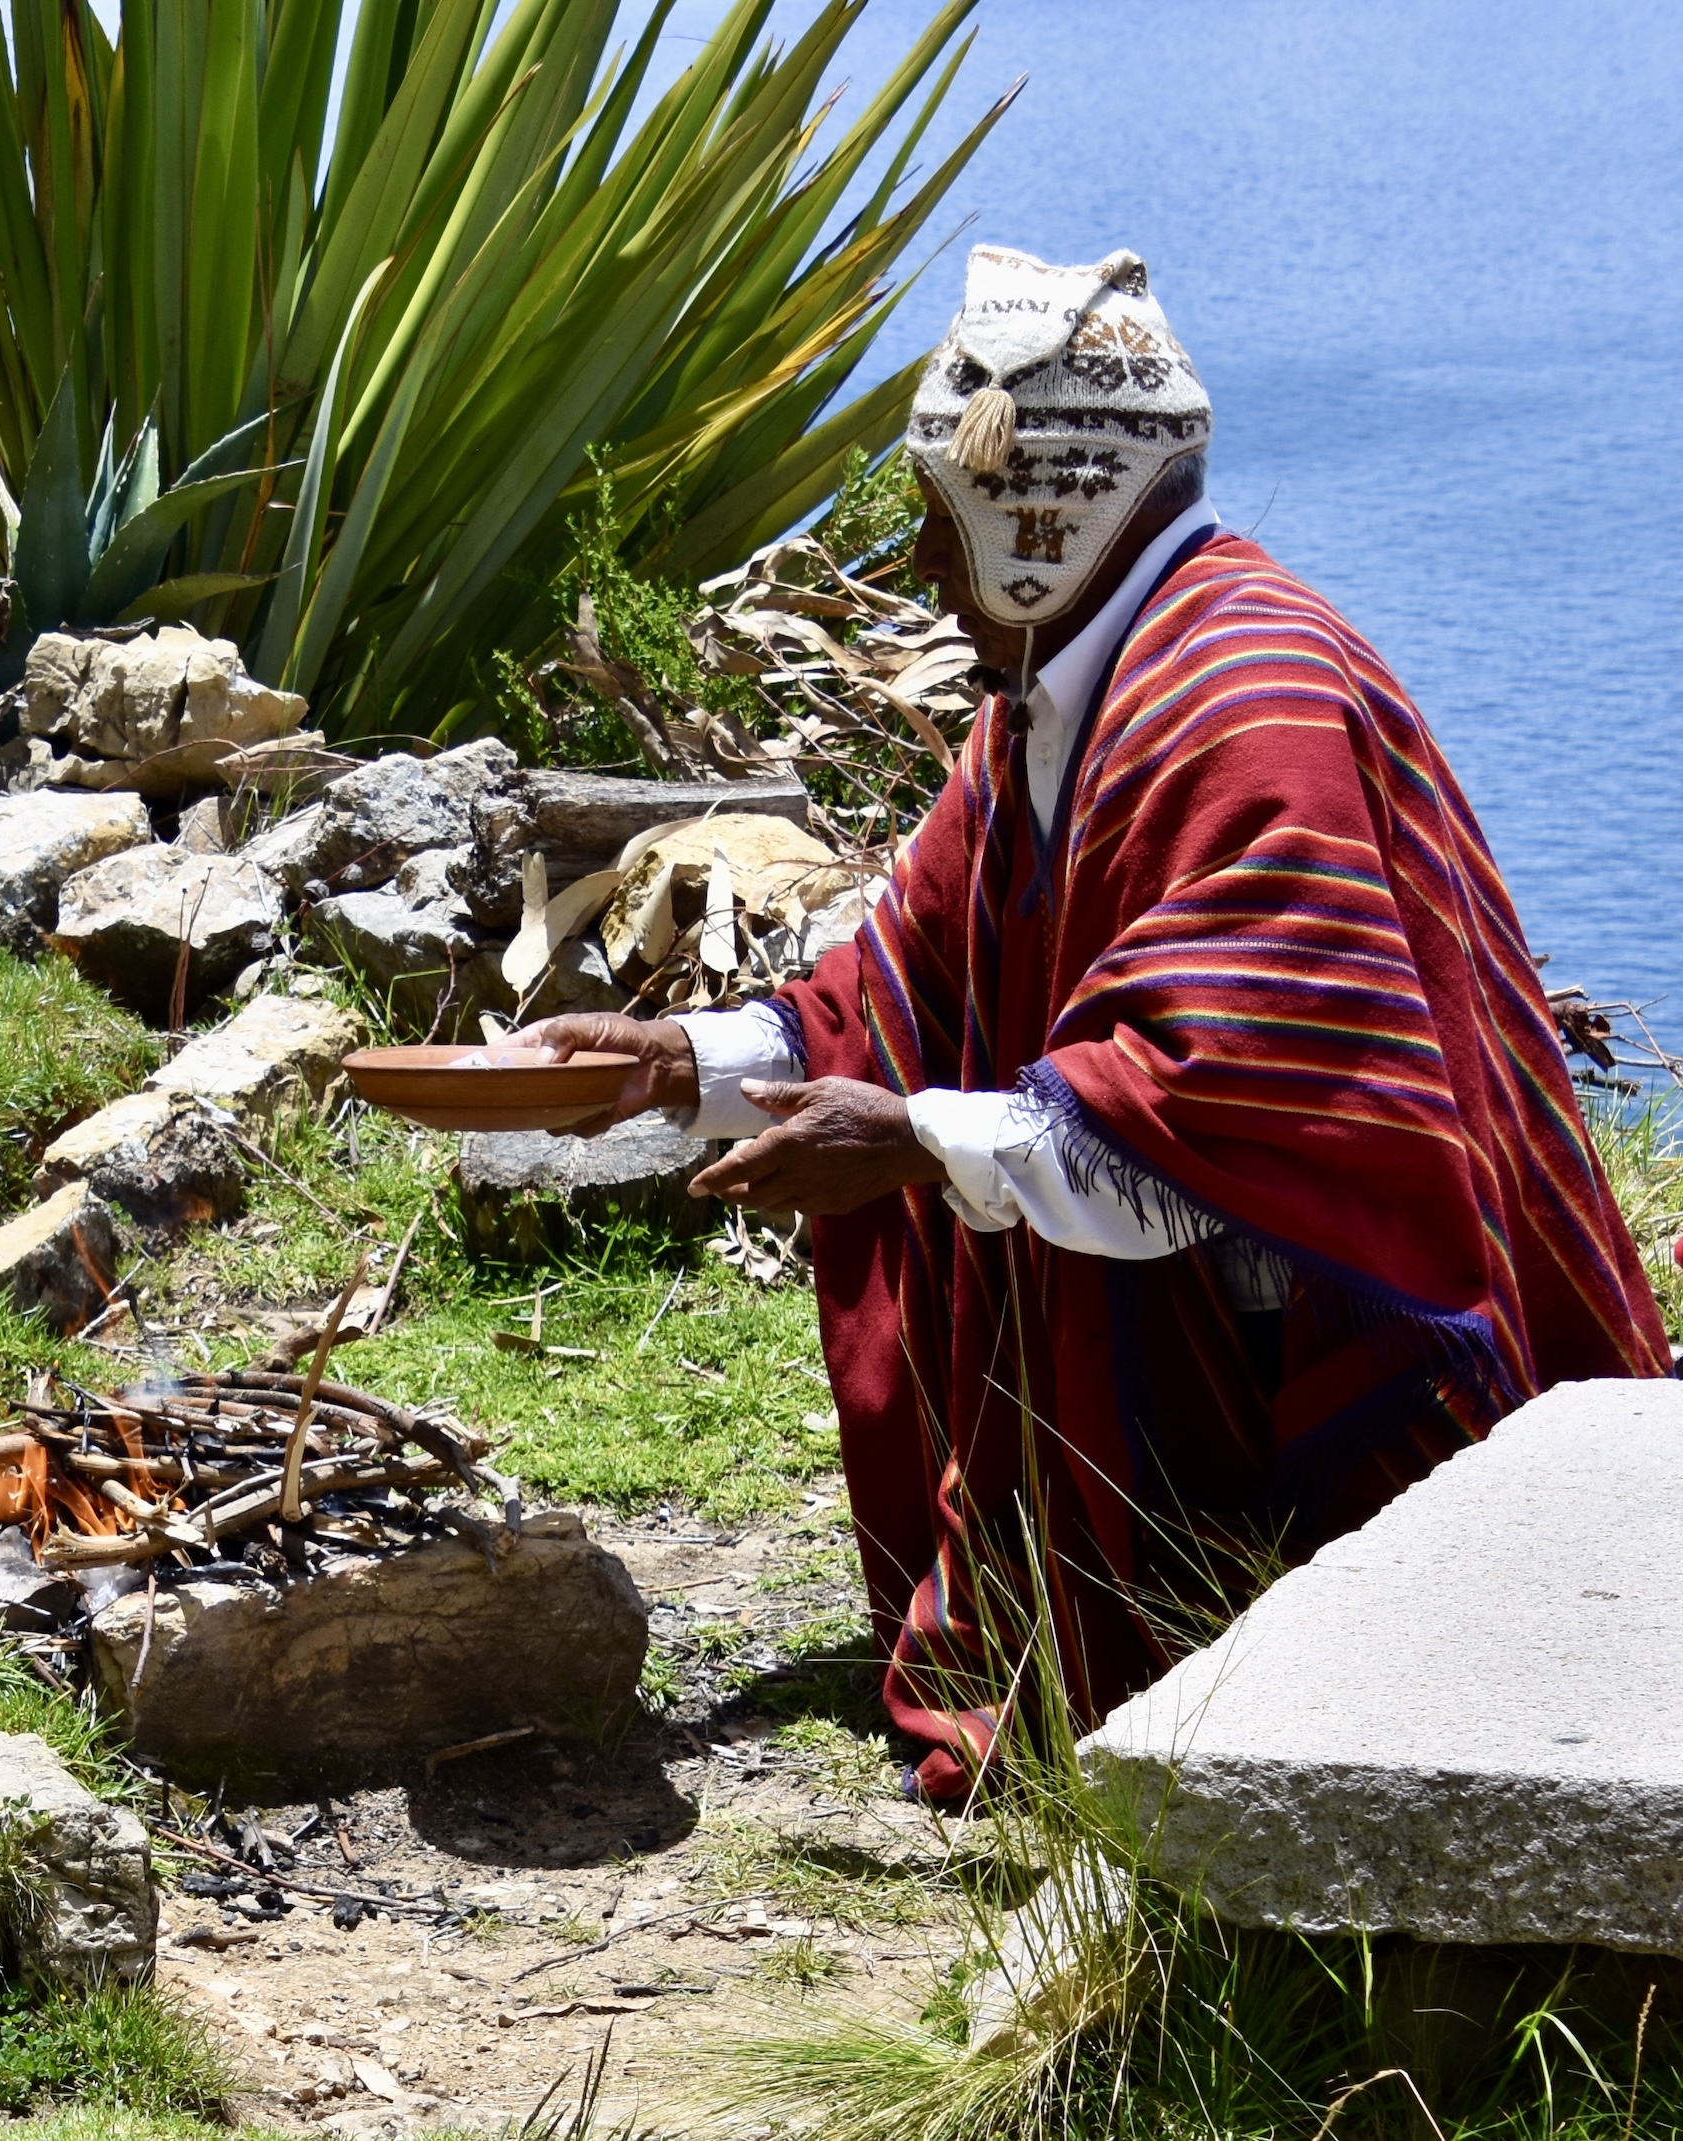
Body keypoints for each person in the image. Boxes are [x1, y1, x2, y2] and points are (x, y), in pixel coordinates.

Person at [519, 245, 1670, 1801]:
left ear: (1033, 516)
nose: (925, 565)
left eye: (941, 521)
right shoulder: (1071, 690)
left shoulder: (1243, 696)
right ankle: (1163, 1630)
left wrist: (917, 1140)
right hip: (1220, 1297)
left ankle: (1304, 1658)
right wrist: (688, 1061)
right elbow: (906, 973)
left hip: (1354, 1347)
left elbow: (1244, 1102)